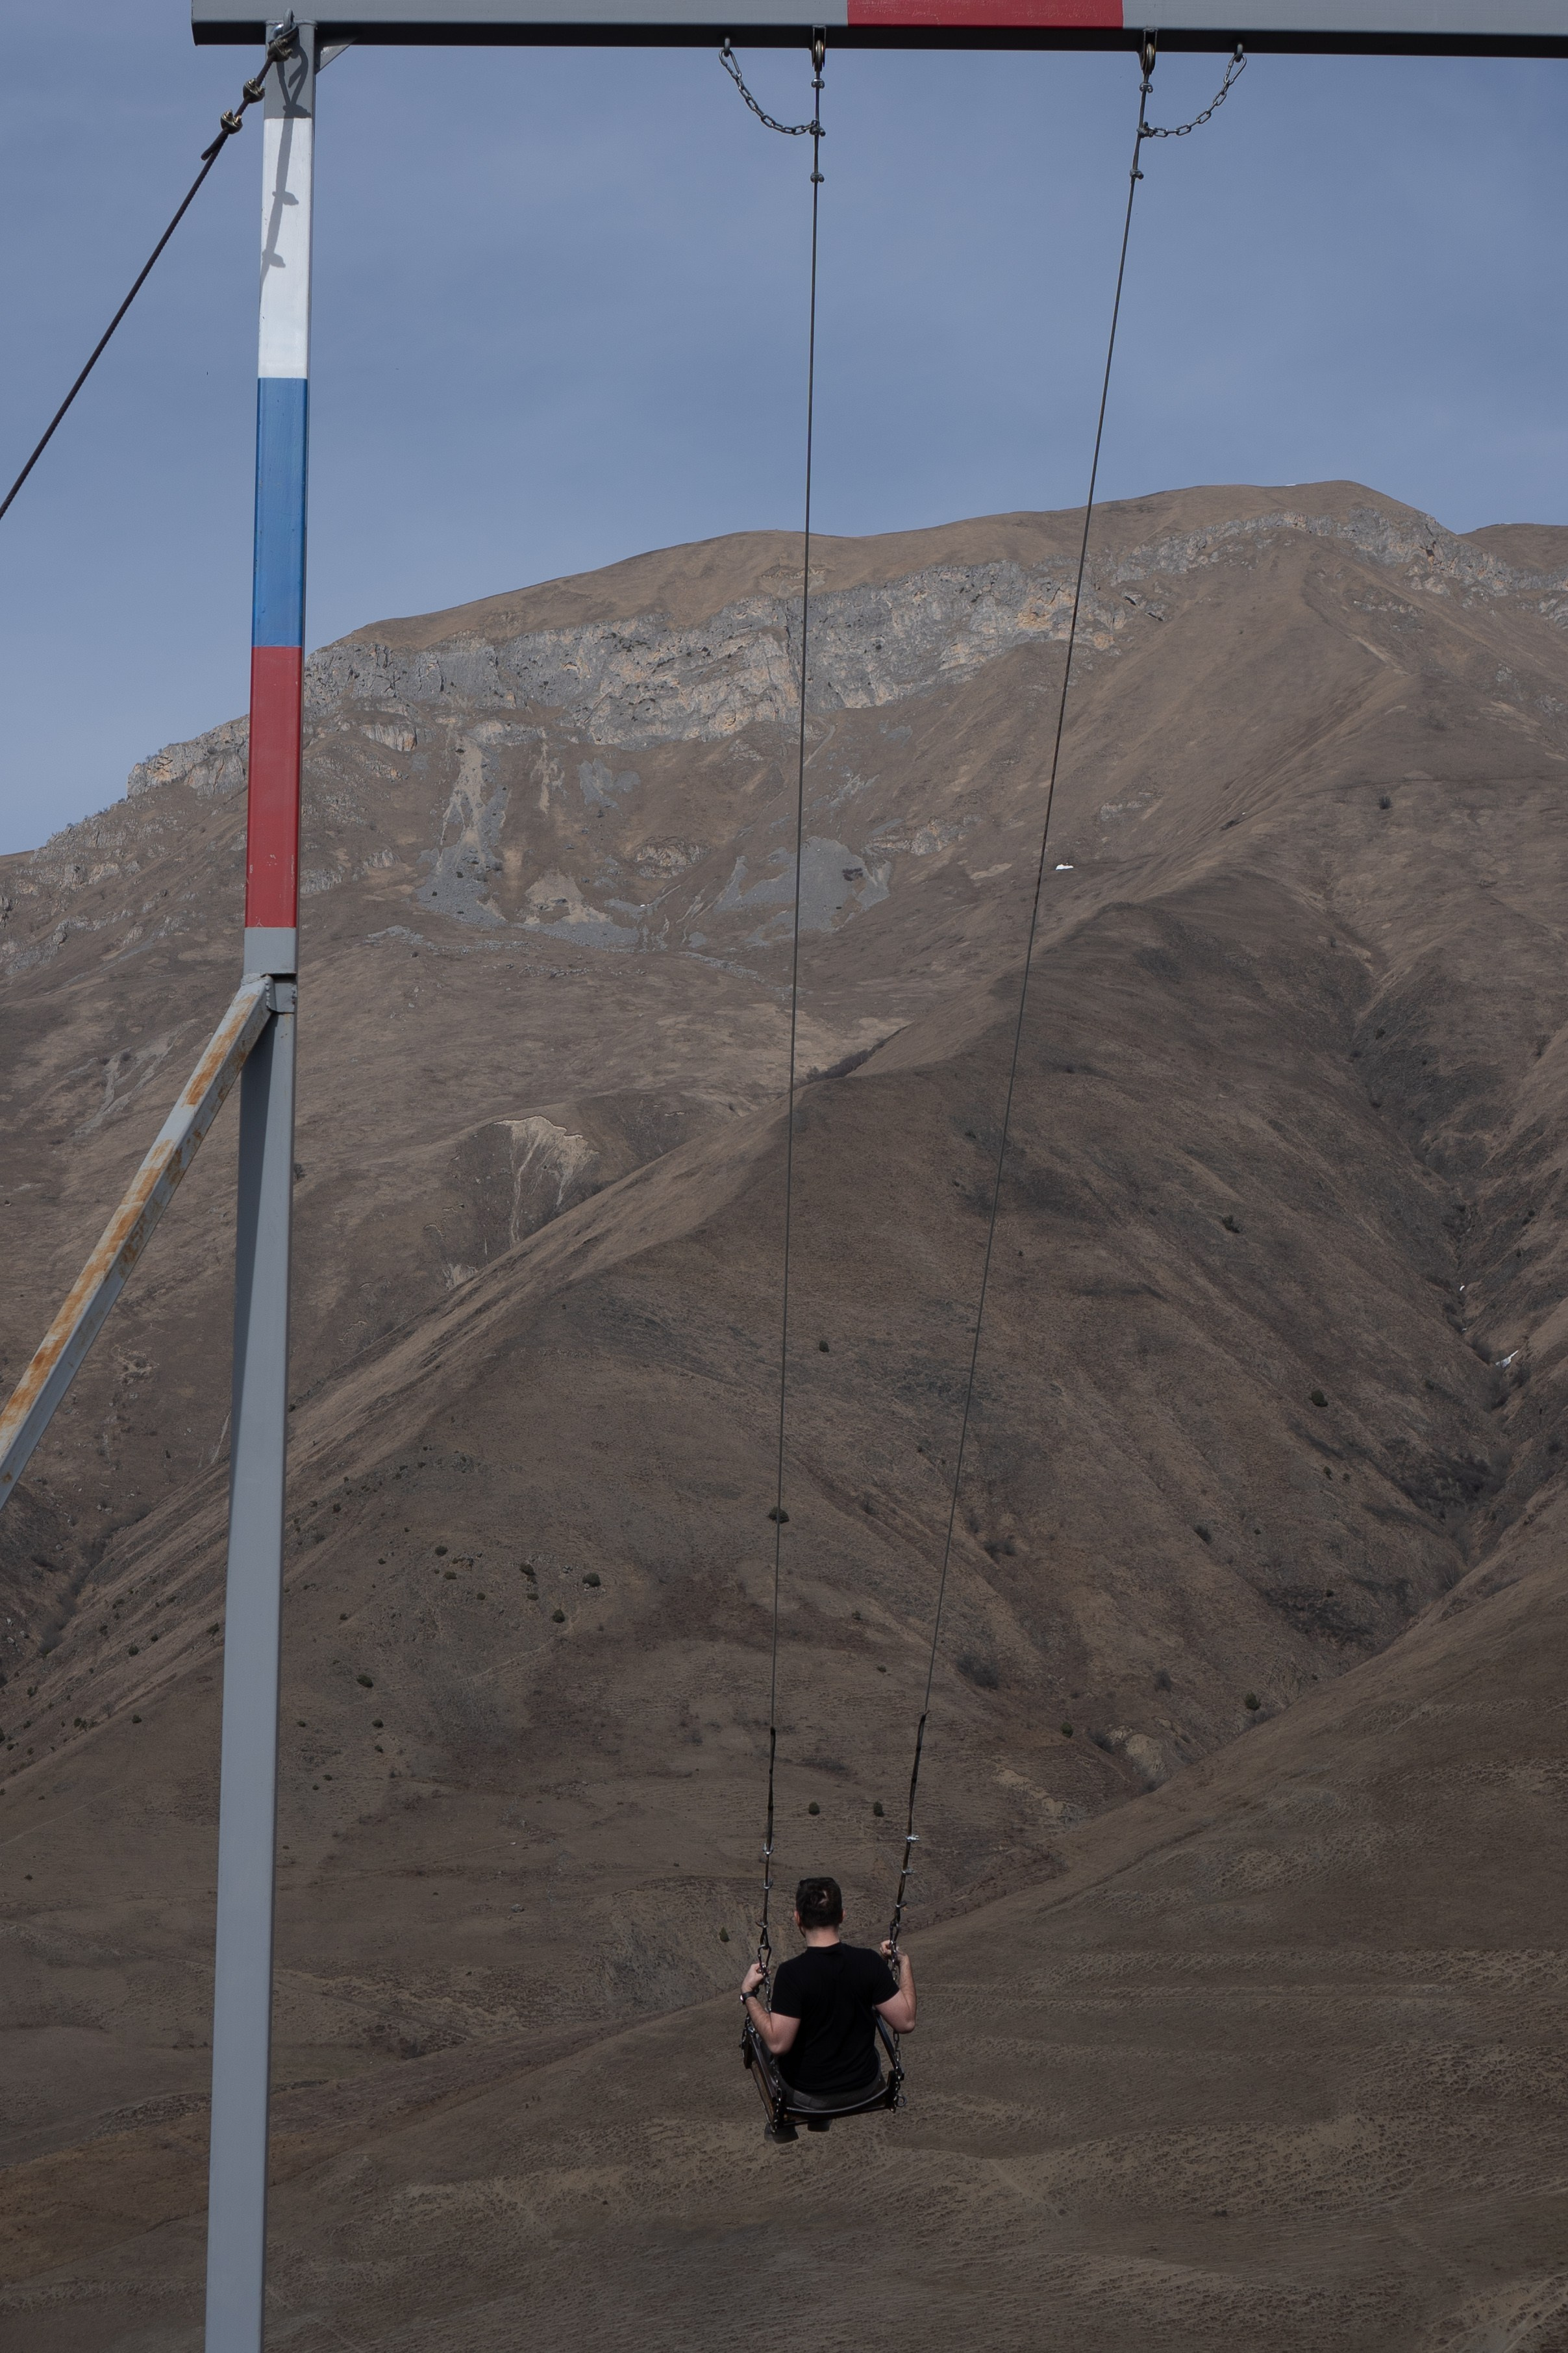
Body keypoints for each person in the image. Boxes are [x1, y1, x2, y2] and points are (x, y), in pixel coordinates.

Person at [740, 1874, 916, 2139]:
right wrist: (905, 1963)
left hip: (809, 2097)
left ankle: (783, 2125)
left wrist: (748, 1994)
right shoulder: (869, 1962)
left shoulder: (792, 1974)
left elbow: (779, 2044)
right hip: (865, 2088)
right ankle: (820, 2121)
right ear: (842, 1915)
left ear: (798, 1918)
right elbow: (906, 2022)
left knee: (762, 2038)